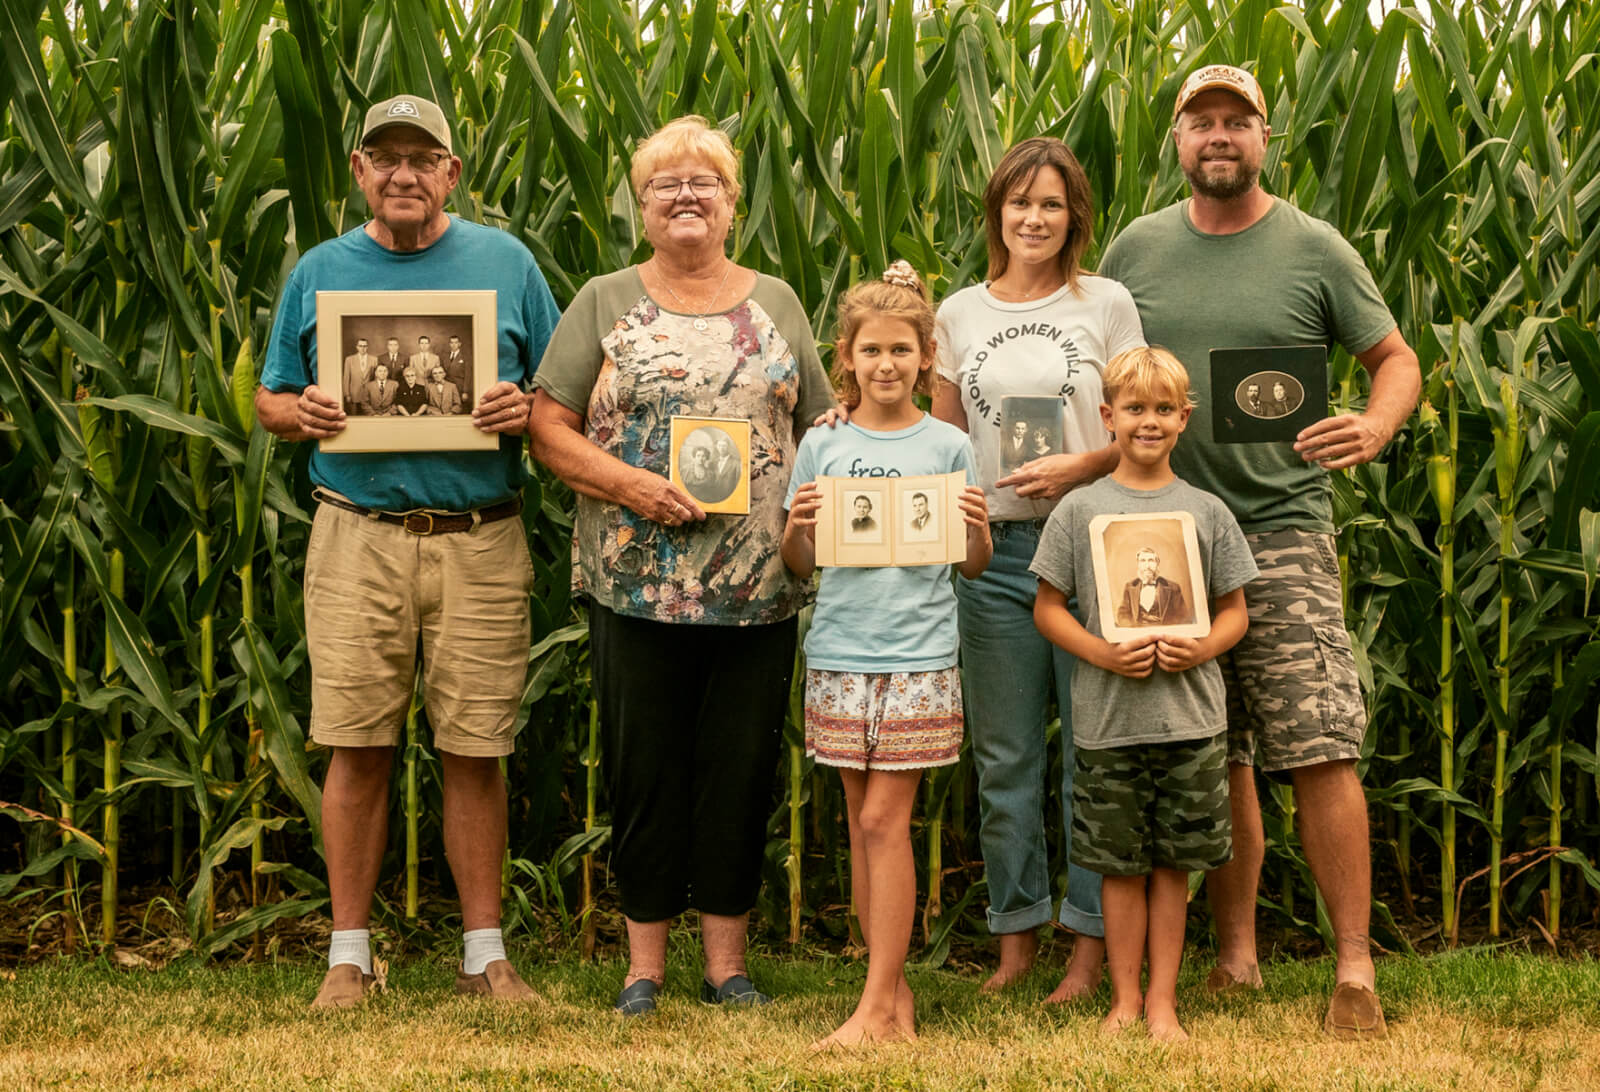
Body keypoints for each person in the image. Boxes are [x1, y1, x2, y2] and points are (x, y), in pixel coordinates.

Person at [1099, 63, 1420, 1039]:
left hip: (1281, 534)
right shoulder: (1135, 248)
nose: (1219, 136)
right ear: (1177, 140)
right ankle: (1234, 956)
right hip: (1163, 537)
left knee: (1318, 744)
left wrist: (1372, 425)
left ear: (1264, 138)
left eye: (1237, 120)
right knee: (1215, 753)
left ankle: (1354, 969)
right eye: (1202, 121)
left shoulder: (1312, 248)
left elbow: (1394, 359)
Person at [254, 93, 561, 1009]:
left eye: (422, 158)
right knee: (356, 744)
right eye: (384, 157)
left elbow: (559, 394)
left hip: (481, 537)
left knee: (475, 747)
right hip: (358, 533)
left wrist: (522, 407)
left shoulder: (506, 263)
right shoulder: (319, 271)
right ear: (359, 171)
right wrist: (297, 411)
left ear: (451, 174)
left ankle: (484, 958)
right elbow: (271, 399)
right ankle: (349, 956)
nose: (403, 173)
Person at [527, 115, 834, 1017]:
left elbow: (819, 422)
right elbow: (548, 426)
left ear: (734, 203)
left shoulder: (775, 298)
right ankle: (645, 966)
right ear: (641, 204)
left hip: (761, 588)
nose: (687, 196)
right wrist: (634, 486)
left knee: (739, 771)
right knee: (645, 769)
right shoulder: (603, 299)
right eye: (667, 184)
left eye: (706, 182)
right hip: (635, 582)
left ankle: (726, 965)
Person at [933, 136, 1145, 999]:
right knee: (1006, 758)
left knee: (1094, 754)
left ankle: (1089, 948)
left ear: (1075, 217)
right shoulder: (957, 313)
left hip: (1090, 547)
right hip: (996, 556)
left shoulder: (1107, 304)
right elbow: (940, 440)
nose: (1035, 218)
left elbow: (1140, 420)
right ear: (997, 212)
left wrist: (1078, 468)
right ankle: (1015, 940)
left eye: (1052, 204)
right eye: (1020, 203)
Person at [782, 262, 992, 1047]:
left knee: (882, 819)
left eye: (902, 350)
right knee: (858, 820)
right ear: (848, 355)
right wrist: (800, 524)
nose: (887, 365)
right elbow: (798, 564)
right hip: (839, 650)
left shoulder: (947, 445)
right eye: (871, 350)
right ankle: (891, 997)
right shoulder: (824, 444)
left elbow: (973, 563)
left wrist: (974, 523)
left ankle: (873, 1008)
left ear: (926, 355)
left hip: (919, 655)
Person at [1031, 346, 1257, 1041]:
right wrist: (1102, 653)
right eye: (1134, 409)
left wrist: (1202, 646)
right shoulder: (1080, 510)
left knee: (1173, 866)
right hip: (1107, 721)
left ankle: (1164, 1002)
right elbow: (1048, 607)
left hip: (1189, 720)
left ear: (1185, 418)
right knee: (1119, 868)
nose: (1149, 421)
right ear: (1107, 417)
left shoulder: (1206, 512)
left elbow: (1235, 612)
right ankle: (1124, 999)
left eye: (1164, 410)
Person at [1115, 547, 1188, 627]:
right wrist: (1132, 629)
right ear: (1138, 565)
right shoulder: (1130, 587)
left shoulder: (1173, 587)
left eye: (1151, 561)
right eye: (1143, 561)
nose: (1147, 566)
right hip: (1138, 633)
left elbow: (1182, 616)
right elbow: (1123, 614)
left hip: (1163, 633)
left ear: (1157, 564)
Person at [342, 338, 375, 414]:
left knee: (369, 417)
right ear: (357, 347)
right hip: (354, 394)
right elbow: (346, 378)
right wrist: (347, 394)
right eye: (360, 346)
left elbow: (375, 378)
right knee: (355, 416)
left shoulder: (374, 359)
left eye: (365, 346)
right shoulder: (349, 360)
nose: (362, 348)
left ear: (367, 347)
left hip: (369, 395)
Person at [443, 334, 471, 400]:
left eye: (456, 342)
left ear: (459, 344)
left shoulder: (465, 357)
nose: (454, 344)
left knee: (458, 406)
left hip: (459, 387)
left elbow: (468, 375)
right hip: (447, 386)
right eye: (452, 342)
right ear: (449, 344)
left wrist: (465, 391)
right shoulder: (445, 356)